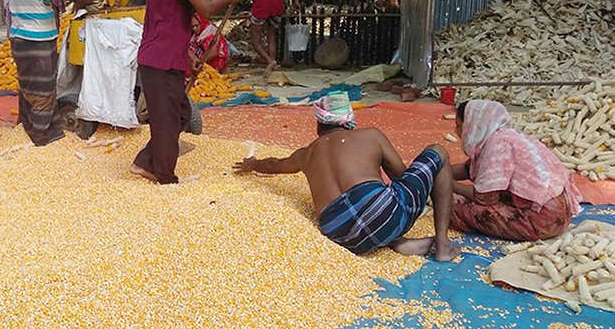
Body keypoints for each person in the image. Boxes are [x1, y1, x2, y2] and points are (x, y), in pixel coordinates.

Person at [233, 91, 461, 261]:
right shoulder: (370, 136)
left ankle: (396, 242)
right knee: (438, 152)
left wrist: (252, 165)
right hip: (383, 213)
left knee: (366, 210)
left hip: (342, 234)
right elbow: (401, 177)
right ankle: (441, 244)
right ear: (349, 121)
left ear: (319, 124)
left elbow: (274, 165)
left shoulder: (306, 154)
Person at [129, 0, 248, 184]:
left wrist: (188, 55)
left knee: (181, 113)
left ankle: (144, 163)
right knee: (168, 120)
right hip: (160, 59)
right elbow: (206, 8)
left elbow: (173, 19)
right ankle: (164, 177)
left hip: (167, 57)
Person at [8, 0, 120, 146]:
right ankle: (44, 141)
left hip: (20, 38)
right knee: (43, 92)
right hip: (37, 40)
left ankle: (32, 135)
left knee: (29, 90)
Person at [450, 100, 582, 241]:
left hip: (542, 219)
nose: (456, 131)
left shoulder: (496, 146)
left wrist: (450, 185)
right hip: (561, 212)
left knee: (454, 206)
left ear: (472, 127)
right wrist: (439, 170)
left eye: (459, 126)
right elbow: (467, 169)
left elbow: (484, 198)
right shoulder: (507, 137)